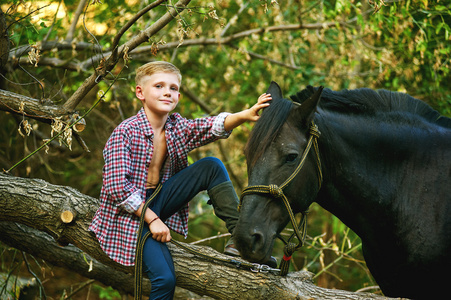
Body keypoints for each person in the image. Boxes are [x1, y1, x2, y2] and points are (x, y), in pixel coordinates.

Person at [89, 61, 272, 299]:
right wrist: (153, 220)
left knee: (211, 166)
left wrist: (243, 115)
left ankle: (241, 240)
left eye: (174, 88)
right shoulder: (125, 132)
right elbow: (117, 188)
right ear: (140, 92)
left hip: (159, 199)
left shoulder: (176, 127)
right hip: (130, 215)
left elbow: (207, 127)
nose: (168, 92)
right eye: (159, 86)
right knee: (165, 280)